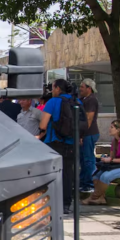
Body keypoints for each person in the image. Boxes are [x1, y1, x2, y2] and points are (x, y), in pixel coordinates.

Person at [38, 79, 75, 215]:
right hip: (71, 143)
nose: (52, 91)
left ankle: (51, 203)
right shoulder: (77, 101)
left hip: (54, 141)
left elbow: (43, 125)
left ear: (58, 88)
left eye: (53, 88)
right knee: (67, 174)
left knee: (50, 173)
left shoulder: (52, 102)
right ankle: (66, 204)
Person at [83, 120, 120, 205]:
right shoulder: (114, 141)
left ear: (118, 130)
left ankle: (93, 197)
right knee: (95, 175)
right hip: (119, 165)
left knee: (105, 176)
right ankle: (101, 198)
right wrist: (105, 159)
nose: (109, 129)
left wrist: (110, 160)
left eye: (112, 127)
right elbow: (112, 157)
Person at [79, 79, 100, 195]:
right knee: (83, 160)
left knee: (88, 160)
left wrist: (82, 134)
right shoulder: (83, 99)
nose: (80, 89)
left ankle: (91, 185)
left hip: (89, 134)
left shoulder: (91, 100)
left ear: (89, 88)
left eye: (82, 87)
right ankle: (83, 183)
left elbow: (88, 119)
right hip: (84, 134)